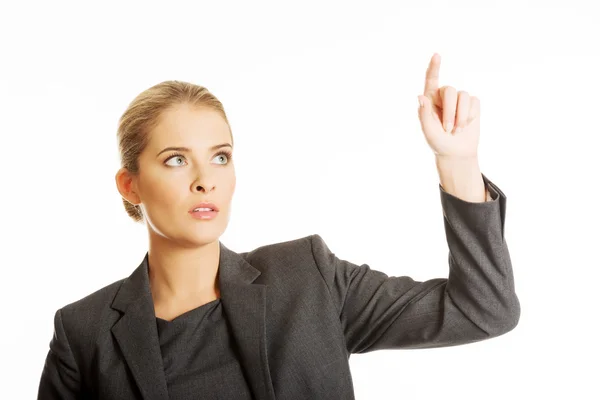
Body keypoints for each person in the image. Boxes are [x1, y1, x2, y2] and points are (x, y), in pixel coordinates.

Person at [37, 53, 520, 400]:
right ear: (131, 185)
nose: (206, 181)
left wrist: (458, 162)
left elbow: (484, 310)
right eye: (177, 159)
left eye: (220, 157)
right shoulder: (84, 333)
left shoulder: (309, 279)